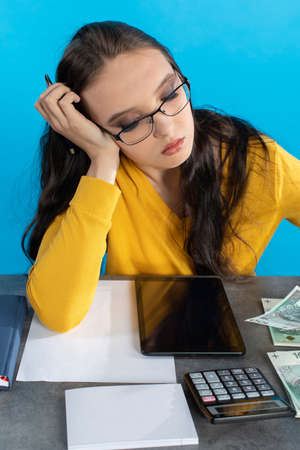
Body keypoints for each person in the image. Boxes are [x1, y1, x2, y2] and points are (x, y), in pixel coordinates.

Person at [22, 21, 300, 333]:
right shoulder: (99, 184)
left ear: (181, 75)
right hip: (143, 357)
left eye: (169, 94)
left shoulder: (254, 160)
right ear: (95, 131)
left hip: (232, 349)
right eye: (130, 124)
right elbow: (58, 313)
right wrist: (102, 160)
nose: (168, 128)